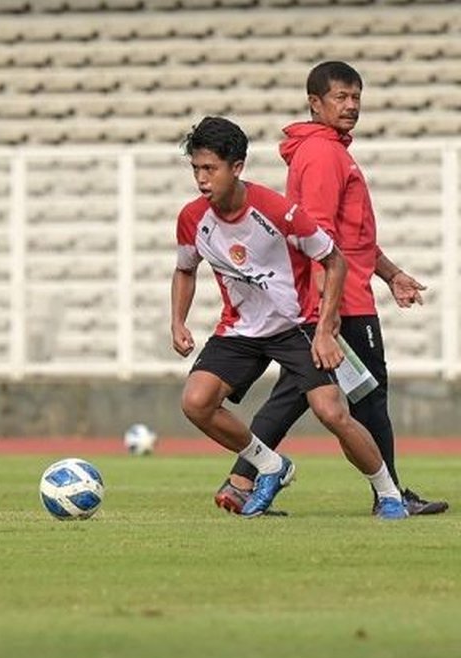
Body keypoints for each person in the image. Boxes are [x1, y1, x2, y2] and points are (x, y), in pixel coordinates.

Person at [213, 61, 448, 517]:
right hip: (345, 300)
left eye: (356, 97)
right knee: (368, 396)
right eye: (341, 97)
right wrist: (327, 310)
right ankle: (390, 496)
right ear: (315, 103)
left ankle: (241, 482)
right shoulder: (323, 154)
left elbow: (353, 237)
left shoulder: (327, 151)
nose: (351, 106)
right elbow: (318, 237)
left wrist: (391, 274)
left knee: (295, 392)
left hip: (340, 293)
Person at [171, 116, 407, 521]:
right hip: (242, 329)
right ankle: (270, 465)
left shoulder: (278, 212)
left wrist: (326, 329)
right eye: (196, 169)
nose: (201, 179)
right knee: (196, 402)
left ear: (237, 167)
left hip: (297, 325)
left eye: (210, 168)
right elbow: (185, 269)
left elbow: (334, 260)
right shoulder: (192, 218)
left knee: (331, 412)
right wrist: (178, 321)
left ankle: (389, 495)